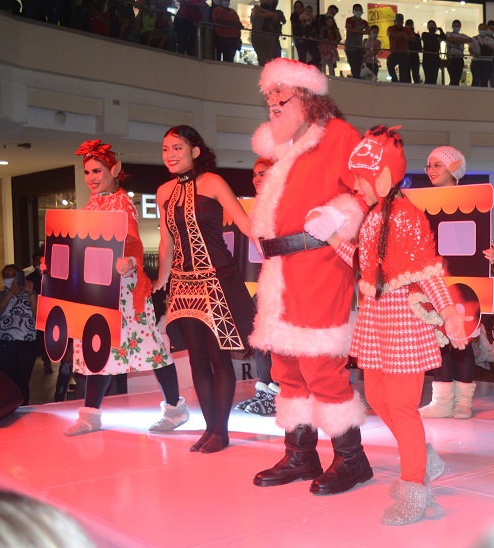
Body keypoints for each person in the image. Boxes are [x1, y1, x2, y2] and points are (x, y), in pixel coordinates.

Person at [315, 125, 467, 525]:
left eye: (361, 181)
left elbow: (428, 270)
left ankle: (415, 488)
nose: (357, 189)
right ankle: (425, 460)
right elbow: (366, 265)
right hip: (377, 318)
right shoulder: (375, 217)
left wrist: (449, 313)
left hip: (403, 319)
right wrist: (332, 238)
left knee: (400, 406)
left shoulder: (407, 216)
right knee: (380, 401)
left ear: (382, 177)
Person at [248, 59, 372, 495]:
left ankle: (352, 459)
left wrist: (340, 212)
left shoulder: (339, 135)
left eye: (282, 90)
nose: (273, 99)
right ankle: (301, 453)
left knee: (321, 362)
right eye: (268, 93)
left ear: (308, 94)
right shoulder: (281, 144)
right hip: (279, 269)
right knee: (286, 365)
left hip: (319, 262)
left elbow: (368, 189)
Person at [63, 140, 190, 436]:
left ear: (114, 170)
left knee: (151, 347)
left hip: (126, 291)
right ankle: (91, 414)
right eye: (88, 172)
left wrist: (132, 261)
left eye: (97, 171)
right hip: (99, 290)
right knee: (99, 346)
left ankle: (175, 409)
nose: (92, 177)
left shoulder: (122, 202)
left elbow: (133, 241)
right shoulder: (92, 204)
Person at [154, 125, 256, 454]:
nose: (170, 155)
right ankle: (209, 427)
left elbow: (244, 223)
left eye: (177, 148)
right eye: (166, 149)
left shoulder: (212, 182)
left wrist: (278, 244)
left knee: (218, 357)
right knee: (196, 359)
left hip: (217, 280)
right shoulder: (163, 191)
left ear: (195, 151)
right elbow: (166, 242)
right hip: (182, 284)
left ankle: (221, 432)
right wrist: (160, 279)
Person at [416, 145, 483, 419]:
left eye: (437, 165)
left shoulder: (473, 201)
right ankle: (442, 400)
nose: (430, 170)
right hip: (433, 279)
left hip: (463, 282)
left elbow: (478, 237)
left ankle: (463, 401)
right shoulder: (419, 205)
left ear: (454, 167)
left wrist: (487, 253)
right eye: (428, 165)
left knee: (462, 339)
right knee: (438, 340)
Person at [234, 157, 280, 416]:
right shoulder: (258, 207)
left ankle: (277, 392)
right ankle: (266, 391)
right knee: (259, 338)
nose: (256, 178)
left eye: (263, 173)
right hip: (265, 282)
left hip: (282, 283)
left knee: (274, 341)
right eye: (255, 174)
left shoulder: (283, 205)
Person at [0, 264, 38, 405]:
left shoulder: (31, 294)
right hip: (5, 344)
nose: (11, 278)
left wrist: (31, 293)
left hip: (28, 344)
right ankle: (9, 409)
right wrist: (11, 292)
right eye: (7, 275)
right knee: (8, 380)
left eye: (14, 275)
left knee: (23, 380)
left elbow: (38, 315)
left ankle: (23, 409)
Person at [250, 0, 286, 66]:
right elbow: (257, 13)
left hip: (271, 37)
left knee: (269, 58)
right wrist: (271, 13)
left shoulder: (277, 12)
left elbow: (281, 20)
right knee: (262, 58)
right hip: (259, 37)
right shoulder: (256, 8)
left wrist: (270, 13)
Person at [469, 23, 494, 88]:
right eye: (480, 28)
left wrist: (489, 48)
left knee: (484, 81)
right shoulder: (474, 39)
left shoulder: (491, 39)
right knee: (476, 80)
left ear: (486, 29)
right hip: (476, 61)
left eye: (483, 28)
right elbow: (470, 49)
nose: (482, 30)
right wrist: (474, 54)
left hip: (487, 61)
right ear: (478, 29)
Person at [344, 4, 368, 78]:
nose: (358, 12)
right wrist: (361, 30)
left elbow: (369, 31)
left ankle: (356, 78)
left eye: (359, 10)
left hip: (358, 47)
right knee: (353, 65)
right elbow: (350, 29)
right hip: (349, 47)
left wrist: (357, 31)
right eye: (356, 10)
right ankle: (356, 78)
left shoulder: (364, 22)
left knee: (358, 66)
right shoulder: (349, 20)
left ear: (362, 11)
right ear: (353, 11)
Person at [444, 20, 471, 86]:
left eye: (458, 26)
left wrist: (460, 40)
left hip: (459, 59)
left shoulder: (462, 35)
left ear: (460, 27)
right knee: (453, 78)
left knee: (457, 78)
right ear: (452, 26)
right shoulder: (448, 34)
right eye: (455, 26)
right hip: (451, 59)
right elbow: (446, 39)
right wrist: (458, 40)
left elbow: (470, 40)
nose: (456, 27)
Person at [386, 13, 409, 82]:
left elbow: (412, 37)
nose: (399, 23)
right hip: (394, 52)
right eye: (398, 21)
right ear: (394, 21)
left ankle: (401, 82)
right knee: (390, 64)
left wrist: (398, 35)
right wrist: (402, 35)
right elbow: (390, 34)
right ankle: (394, 79)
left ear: (403, 22)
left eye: (400, 22)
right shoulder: (391, 28)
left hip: (404, 53)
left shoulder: (406, 29)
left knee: (403, 71)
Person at [421, 20, 445, 85]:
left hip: (435, 59)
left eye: (433, 25)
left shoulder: (437, 36)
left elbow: (444, 38)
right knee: (428, 77)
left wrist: (440, 30)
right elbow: (429, 42)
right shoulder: (425, 34)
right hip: (427, 59)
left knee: (434, 78)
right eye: (430, 26)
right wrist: (436, 39)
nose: (432, 27)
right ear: (428, 27)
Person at [405, 19, 422, 84]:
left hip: (414, 58)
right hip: (407, 57)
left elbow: (419, 48)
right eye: (408, 25)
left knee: (416, 76)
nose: (409, 26)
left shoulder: (417, 36)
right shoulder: (404, 35)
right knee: (407, 77)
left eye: (410, 25)